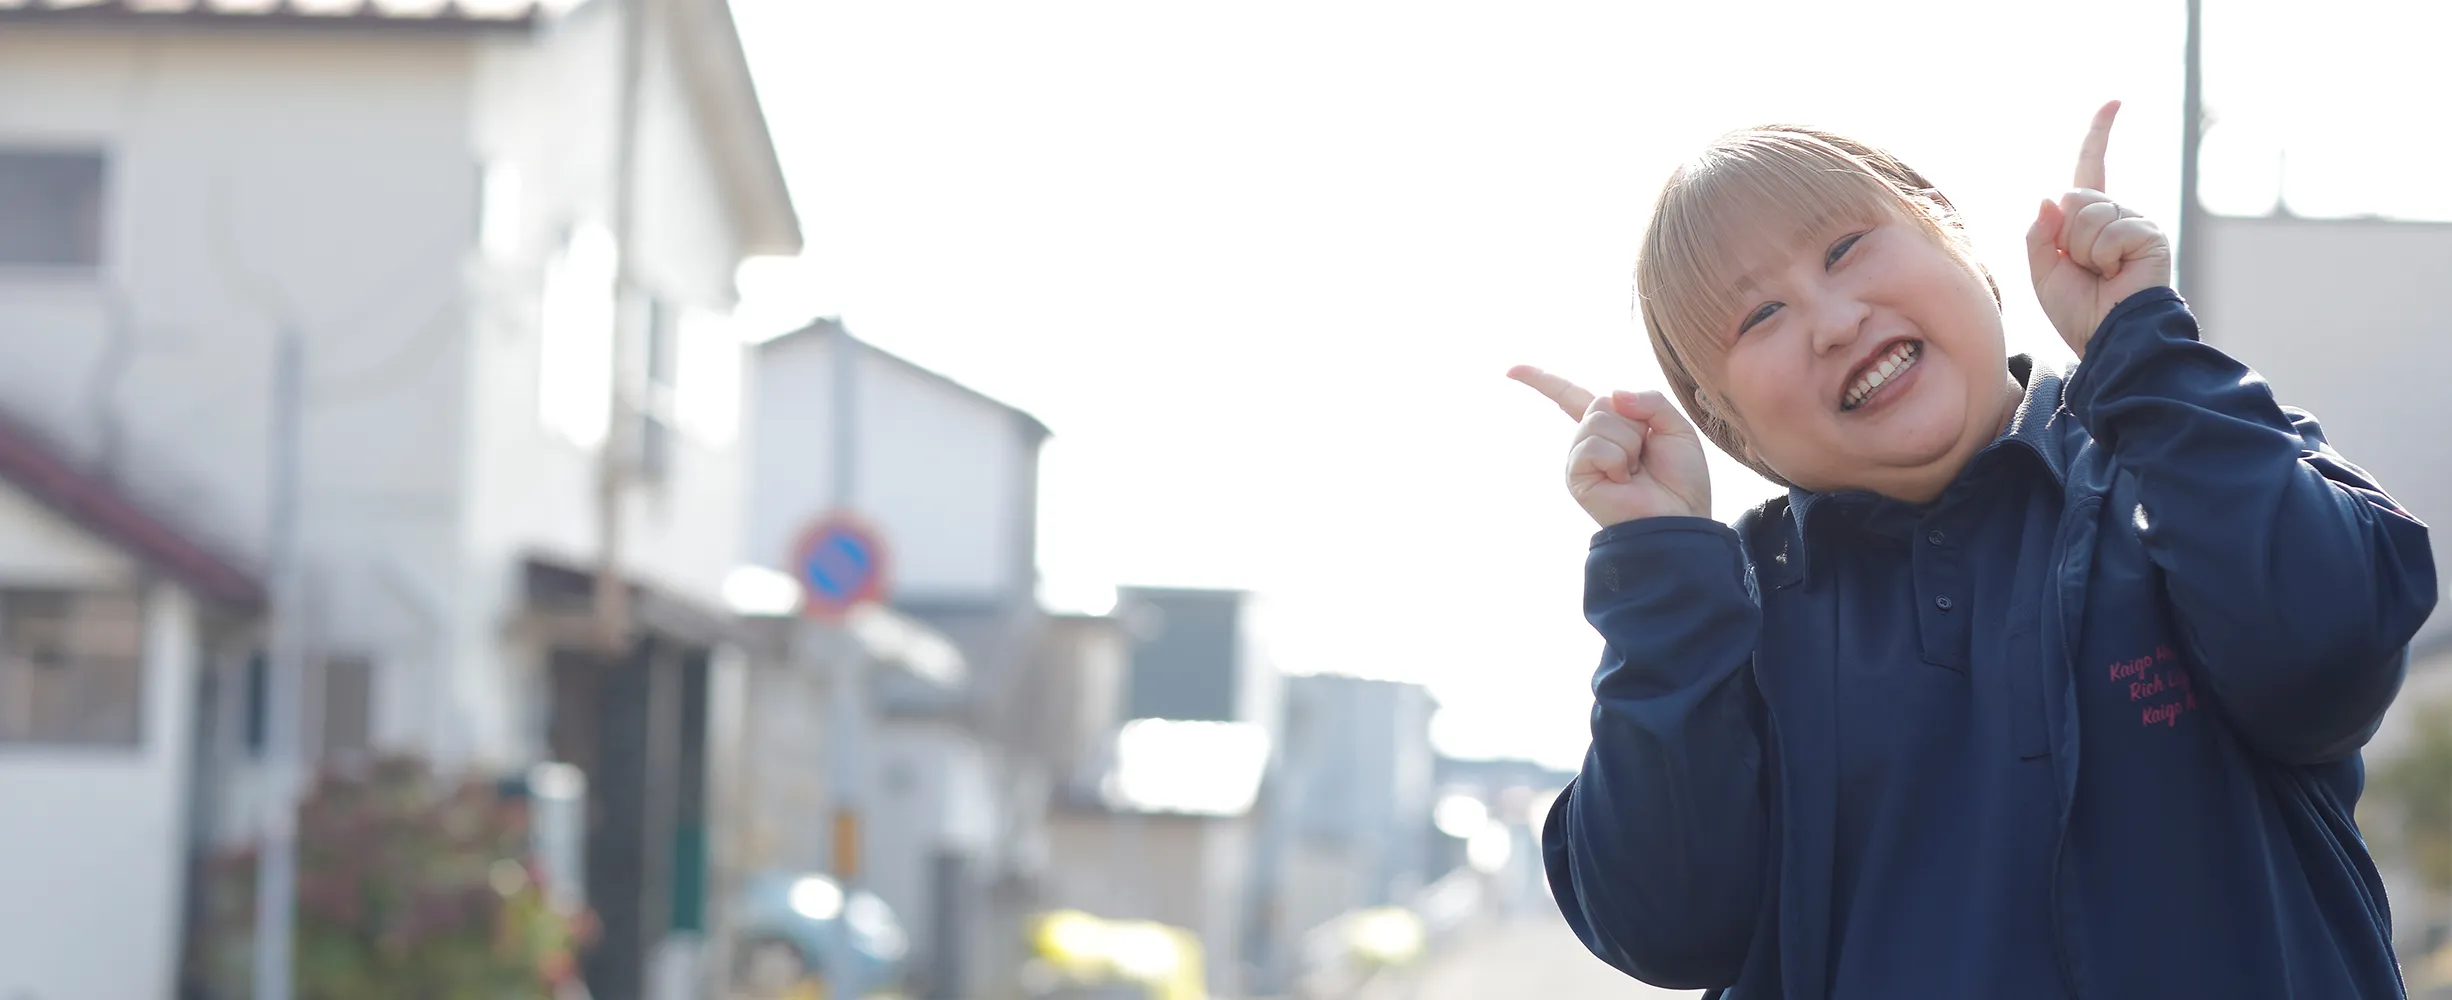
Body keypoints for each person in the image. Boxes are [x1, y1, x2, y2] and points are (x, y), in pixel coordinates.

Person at [1509, 102, 2438, 999]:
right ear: (1724, 422)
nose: (1834, 320)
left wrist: (2143, 351)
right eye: (1759, 318)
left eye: (1845, 248)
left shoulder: (2175, 460)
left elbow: (2331, 653)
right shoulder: (1729, 621)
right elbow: (1667, 927)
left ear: (1957, 242)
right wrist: (1663, 573)